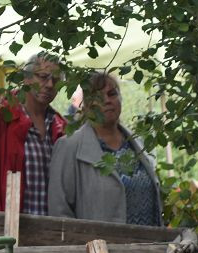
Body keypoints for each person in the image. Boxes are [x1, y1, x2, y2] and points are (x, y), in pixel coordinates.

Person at [48, 72, 163, 225]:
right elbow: (59, 212)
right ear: (87, 105)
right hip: (100, 247)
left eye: (112, 94)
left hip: (150, 245)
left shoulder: (138, 143)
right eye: (98, 96)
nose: (107, 100)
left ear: (120, 99)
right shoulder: (69, 147)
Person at [0, 52, 66, 213]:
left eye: (56, 80)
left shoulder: (60, 126)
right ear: (26, 78)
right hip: (10, 231)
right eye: (43, 76)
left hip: (53, 231)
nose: (50, 84)